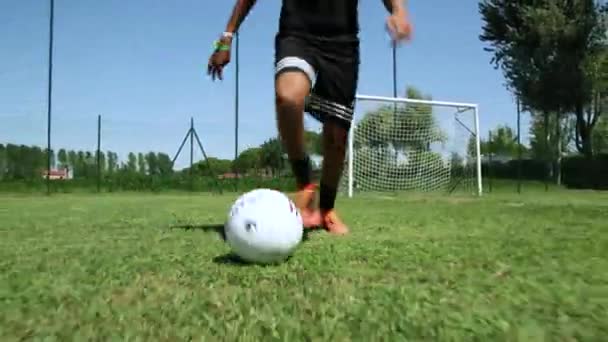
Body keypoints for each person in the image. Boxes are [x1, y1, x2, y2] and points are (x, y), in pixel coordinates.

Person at [208, 0, 412, 235]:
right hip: (296, 35)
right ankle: (305, 184)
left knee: (337, 136)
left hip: (342, 46)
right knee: (288, 97)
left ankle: (325, 209)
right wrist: (226, 37)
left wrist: (399, 10)